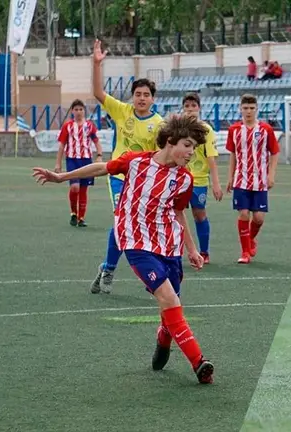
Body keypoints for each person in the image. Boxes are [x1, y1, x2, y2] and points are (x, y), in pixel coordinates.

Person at [32, 114, 215, 384]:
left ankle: (164, 338)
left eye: (194, 148)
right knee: (168, 299)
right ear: (170, 141)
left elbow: (178, 213)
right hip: (136, 245)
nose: (191, 153)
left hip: (169, 247)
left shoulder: (185, 179)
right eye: (187, 145)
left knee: (171, 304)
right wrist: (62, 177)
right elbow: (100, 168)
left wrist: (192, 249)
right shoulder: (136, 161)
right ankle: (199, 363)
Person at [90, 39, 164, 295]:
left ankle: (146, 272)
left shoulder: (160, 124)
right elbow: (98, 93)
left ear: (153, 99)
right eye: (138, 94)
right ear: (132, 97)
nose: (141, 98)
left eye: (146, 95)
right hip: (119, 176)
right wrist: (96, 64)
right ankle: (109, 269)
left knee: (144, 224)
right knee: (123, 222)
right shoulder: (122, 111)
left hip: (146, 180)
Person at [225, 94, 279, 264]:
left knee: (259, 218)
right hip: (241, 179)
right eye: (245, 108)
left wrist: (271, 175)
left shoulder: (265, 130)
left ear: (256, 109)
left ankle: (250, 240)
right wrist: (230, 177)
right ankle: (245, 252)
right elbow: (233, 154)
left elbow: (274, 152)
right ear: (240, 109)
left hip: (260, 180)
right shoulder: (234, 130)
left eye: (251, 108)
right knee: (243, 213)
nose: (248, 111)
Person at [182, 93, 223, 264]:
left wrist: (216, 183)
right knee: (175, 215)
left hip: (198, 180)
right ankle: (177, 252)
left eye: (194, 106)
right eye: (187, 106)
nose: (190, 109)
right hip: (179, 179)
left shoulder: (206, 130)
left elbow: (211, 158)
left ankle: (204, 252)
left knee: (199, 215)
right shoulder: (180, 129)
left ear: (199, 108)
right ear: (183, 108)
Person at [55, 99, 103, 227]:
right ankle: (73, 213)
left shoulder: (90, 126)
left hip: (86, 160)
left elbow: (97, 142)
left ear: (84, 111)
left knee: (83, 189)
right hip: (72, 160)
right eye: (76, 109)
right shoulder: (68, 126)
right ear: (72, 111)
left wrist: (99, 156)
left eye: (80, 109)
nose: (78, 112)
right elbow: (61, 146)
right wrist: (58, 164)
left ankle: (81, 217)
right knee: (74, 187)